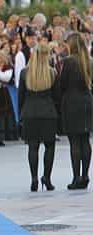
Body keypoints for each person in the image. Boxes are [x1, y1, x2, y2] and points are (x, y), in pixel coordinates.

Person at [19, 44, 60, 192]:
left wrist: (21, 115)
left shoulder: (25, 73)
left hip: (29, 113)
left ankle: (34, 179)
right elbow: (57, 97)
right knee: (50, 146)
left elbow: (21, 98)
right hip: (48, 113)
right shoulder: (52, 73)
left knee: (33, 147)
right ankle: (47, 178)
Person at [60, 33, 93, 190]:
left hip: (72, 103)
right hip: (87, 102)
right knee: (85, 139)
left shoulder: (68, 62)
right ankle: (85, 175)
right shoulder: (90, 62)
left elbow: (63, 84)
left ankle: (76, 177)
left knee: (75, 142)